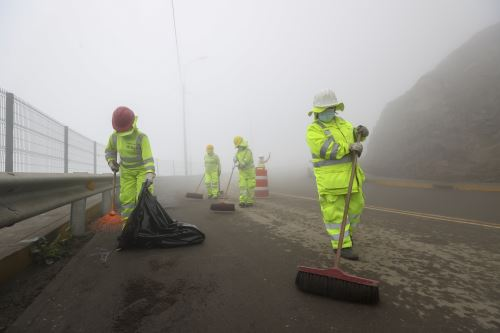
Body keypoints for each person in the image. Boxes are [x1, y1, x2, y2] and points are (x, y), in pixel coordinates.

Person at [305, 89, 369, 260]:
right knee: (335, 214)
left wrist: (360, 132)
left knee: (356, 208)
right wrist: (348, 148)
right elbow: (326, 149)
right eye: (326, 109)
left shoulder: (342, 123)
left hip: (351, 178)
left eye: (332, 108)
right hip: (331, 182)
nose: (330, 112)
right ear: (318, 111)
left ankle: (347, 235)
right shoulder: (313, 130)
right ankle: (341, 245)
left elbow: (353, 136)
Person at [105, 106, 156, 224]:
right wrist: (111, 161)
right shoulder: (114, 136)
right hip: (127, 172)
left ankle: (144, 227)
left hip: (142, 171)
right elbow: (110, 151)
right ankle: (127, 228)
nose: (121, 131)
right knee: (127, 200)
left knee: (142, 198)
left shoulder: (141, 137)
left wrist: (150, 173)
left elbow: (148, 157)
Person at [233, 136, 256, 208]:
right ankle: (242, 201)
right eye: (237, 146)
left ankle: (249, 201)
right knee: (242, 187)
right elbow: (235, 158)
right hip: (242, 173)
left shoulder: (248, 151)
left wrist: (239, 164)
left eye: (238, 146)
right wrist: (234, 159)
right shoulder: (238, 152)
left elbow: (245, 162)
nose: (237, 147)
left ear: (241, 144)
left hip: (250, 173)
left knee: (250, 187)